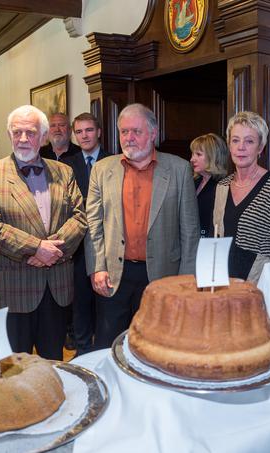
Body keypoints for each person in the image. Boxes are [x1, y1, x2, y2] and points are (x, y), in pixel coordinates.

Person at [0, 104, 86, 360]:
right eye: (17, 132)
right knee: (15, 366)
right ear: (9, 135)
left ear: (44, 136)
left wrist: (51, 251)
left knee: (53, 362)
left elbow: (80, 217)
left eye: (31, 132)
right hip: (14, 287)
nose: (23, 139)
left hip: (56, 285)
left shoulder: (64, 172)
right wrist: (37, 248)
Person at [85, 103, 199, 349]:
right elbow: (93, 223)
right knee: (107, 345)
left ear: (153, 133)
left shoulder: (179, 169)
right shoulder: (102, 169)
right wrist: (97, 268)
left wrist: (185, 279)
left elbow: (190, 230)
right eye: (124, 132)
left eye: (136, 131)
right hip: (114, 274)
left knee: (155, 345)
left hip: (161, 275)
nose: (129, 138)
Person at [213, 111, 270, 281]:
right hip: (223, 284)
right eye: (235, 140)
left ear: (260, 148)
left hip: (260, 286)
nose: (241, 147)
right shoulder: (222, 187)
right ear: (229, 145)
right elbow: (216, 238)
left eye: (249, 141)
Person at [62, 112, 110, 355]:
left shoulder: (114, 160)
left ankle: (103, 349)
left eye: (89, 130)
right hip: (79, 243)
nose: (84, 136)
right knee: (80, 299)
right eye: (79, 132)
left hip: (109, 241)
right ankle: (82, 351)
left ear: (99, 132)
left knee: (106, 299)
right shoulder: (67, 164)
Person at [189, 133, 230, 237]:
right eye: (192, 154)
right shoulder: (193, 181)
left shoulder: (224, 185)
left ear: (213, 156)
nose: (192, 159)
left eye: (198, 154)